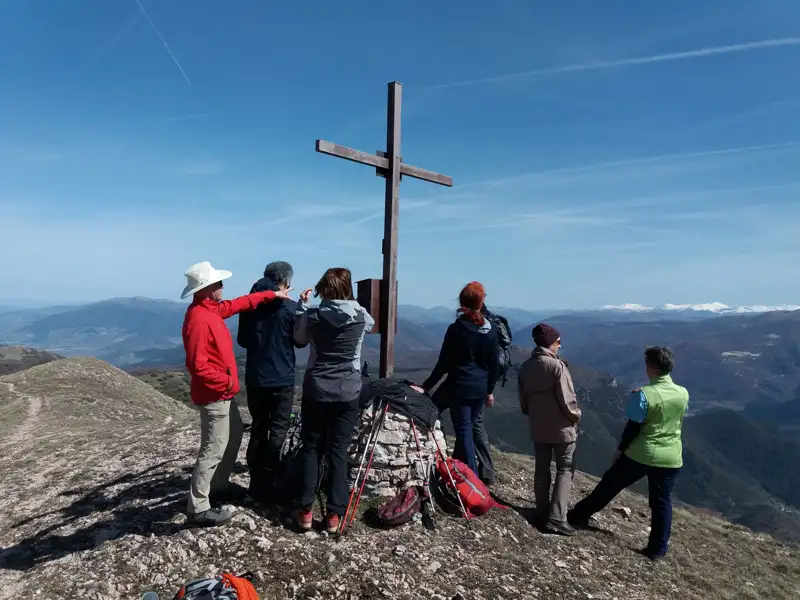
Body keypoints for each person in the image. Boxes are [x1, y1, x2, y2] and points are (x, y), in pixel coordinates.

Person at [181, 261, 291, 526]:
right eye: (218, 284)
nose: (223, 286)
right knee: (212, 448)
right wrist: (228, 383)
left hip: (220, 393)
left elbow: (239, 304)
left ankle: (219, 485)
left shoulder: (211, 309)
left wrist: (272, 294)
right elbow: (197, 365)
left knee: (235, 434)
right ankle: (198, 507)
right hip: (214, 394)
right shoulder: (199, 318)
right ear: (207, 289)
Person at [568, 347, 689, 560]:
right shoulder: (683, 393)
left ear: (650, 367)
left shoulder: (643, 395)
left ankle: (578, 516)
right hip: (672, 456)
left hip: (642, 453)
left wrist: (620, 450)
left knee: (610, 485)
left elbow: (633, 427)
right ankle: (658, 549)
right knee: (662, 501)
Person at [293, 267, 374, 534]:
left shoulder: (314, 315)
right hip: (348, 391)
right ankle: (333, 516)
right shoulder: (361, 317)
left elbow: (299, 339)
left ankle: (305, 511)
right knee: (338, 452)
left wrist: (302, 307)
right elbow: (371, 324)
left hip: (316, 389)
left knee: (311, 448)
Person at [237, 261, 305, 500]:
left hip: (256, 377)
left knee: (258, 427)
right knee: (278, 428)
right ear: (285, 282)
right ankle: (274, 479)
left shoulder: (249, 304)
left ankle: (256, 482)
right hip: (282, 377)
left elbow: (243, 341)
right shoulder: (289, 308)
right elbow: (300, 341)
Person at [422, 282, 500, 477]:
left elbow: (444, 363)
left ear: (462, 301)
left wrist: (426, 387)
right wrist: (489, 389)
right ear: (481, 303)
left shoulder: (457, 329)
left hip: (460, 387)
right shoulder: (491, 330)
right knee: (467, 427)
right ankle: (456, 469)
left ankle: (472, 478)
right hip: (480, 389)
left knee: (463, 429)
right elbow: (494, 365)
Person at [518, 323, 581, 536]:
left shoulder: (526, 366)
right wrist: (576, 416)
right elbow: (567, 399)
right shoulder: (557, 367)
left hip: (538, 425)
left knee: (541, 468)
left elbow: (523, 400)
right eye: (558, 341)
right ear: (551, 343)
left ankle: (541, 510)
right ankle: (556, 518)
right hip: (561, 427)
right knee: (565, 469)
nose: (560, 345)